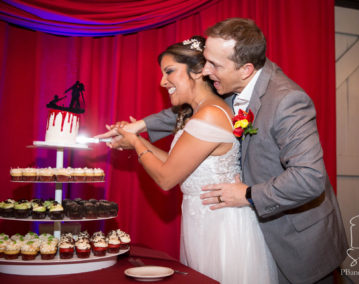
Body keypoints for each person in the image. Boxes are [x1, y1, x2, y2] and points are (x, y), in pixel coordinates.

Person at [100, 18, 348, 284]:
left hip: (297, 240)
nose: (205, 71)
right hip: (243, 227)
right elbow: (188, 109)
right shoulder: (227, 87)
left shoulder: (286, 100)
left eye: (214, 65)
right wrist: (139, 127)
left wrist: (249, 194)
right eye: (206, 61)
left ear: (245, 69)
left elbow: (309, 178)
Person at [101, 36, 278, 284]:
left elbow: (166, 178)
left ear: (198, 71)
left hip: (221, 227)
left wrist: (137, 142)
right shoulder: (206, 111)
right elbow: (177, 163)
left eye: (170, 71)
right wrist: (137, 140)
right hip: (204, 220)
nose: (163, 82)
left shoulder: (209, 116)